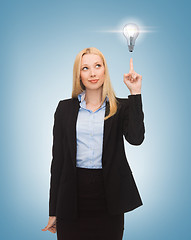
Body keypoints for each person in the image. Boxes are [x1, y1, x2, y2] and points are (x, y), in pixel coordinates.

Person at [42, 47, 145, 240]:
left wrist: (135, 93)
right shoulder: (64, 109)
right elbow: (58, 162)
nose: (92, 73)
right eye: (85, 68)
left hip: (108, 197)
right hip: (71, 197)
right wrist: (53, 209)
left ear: (105, 70)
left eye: (97, 66)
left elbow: (136, 139)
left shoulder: (120, 108)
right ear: (78, 74)